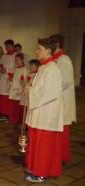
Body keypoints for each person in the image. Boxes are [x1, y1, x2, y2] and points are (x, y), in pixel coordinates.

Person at [25, 38, 64, 183]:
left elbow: (49, 93)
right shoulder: (43, 68)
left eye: (39, 49)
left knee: (44, 146)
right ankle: (34, 168)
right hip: (39, 112)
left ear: (48, 51)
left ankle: (42, 172)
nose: (36, 51)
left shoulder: (53, 69)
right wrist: (30, 88)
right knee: (36, 142)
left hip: (46, 114)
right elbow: (39, 89)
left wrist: (30, 91)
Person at [49, 34, 76, 163]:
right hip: (56, 101)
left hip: (63, 102)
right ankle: (56, 156)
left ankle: (60, 157)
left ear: (57, 44)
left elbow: (66, 81)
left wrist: (49, 90)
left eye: (50, 44)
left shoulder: (63, 59)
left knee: (61, 132)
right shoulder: (55, 59)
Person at [0, 39, 16, 121]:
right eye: (6, 46)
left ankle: (7, 114)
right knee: (2, 96)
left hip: (9, 79)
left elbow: (16, 68)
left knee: (7, 97)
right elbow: (0, 65)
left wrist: (7, 70)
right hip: (2, 78)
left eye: (8, 46)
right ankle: (2, 113)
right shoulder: (3, 56)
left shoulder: (16, 56)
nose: (7, 48)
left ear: (12, 46)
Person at [8, 53, 28, 125]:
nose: (16, 62)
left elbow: (25, 83)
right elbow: (13, 80)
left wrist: (20, 90)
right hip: (13, 91)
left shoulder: (24, 70)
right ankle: (13, 120)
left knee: (18, 108)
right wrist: (10, 79)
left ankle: (18, 122)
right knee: (13, 107)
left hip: (19, 92)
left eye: (17, 60)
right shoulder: (15, 69)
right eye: (15, 60)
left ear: (22, 60)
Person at [19, 59, 40, 123]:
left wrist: (28, 85)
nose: (30, 67)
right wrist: (23, 83)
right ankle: (23, 123)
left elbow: (35, 86)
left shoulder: (38, 75)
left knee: (29, 111)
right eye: (30, 65)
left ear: (37, 67)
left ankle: (28, 124)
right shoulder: (28, 73)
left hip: (31, 96)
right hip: (26, 95)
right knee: (24, 110)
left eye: (32, 65)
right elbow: (26, 84)